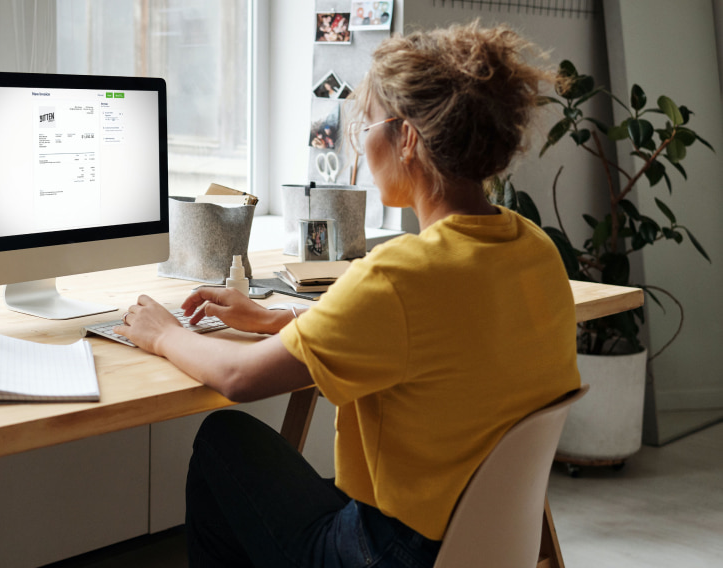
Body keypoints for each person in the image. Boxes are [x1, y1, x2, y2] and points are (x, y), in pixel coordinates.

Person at [115, 21, 580, 568]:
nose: (361, 141)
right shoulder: (534, 249)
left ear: (406, 138)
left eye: (368, 123)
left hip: (391, 554)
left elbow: (240, 379)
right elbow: (435, 337)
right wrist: (274, 320)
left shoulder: (400, 274)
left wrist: (164, 334)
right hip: (486, 544)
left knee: (223, 441)